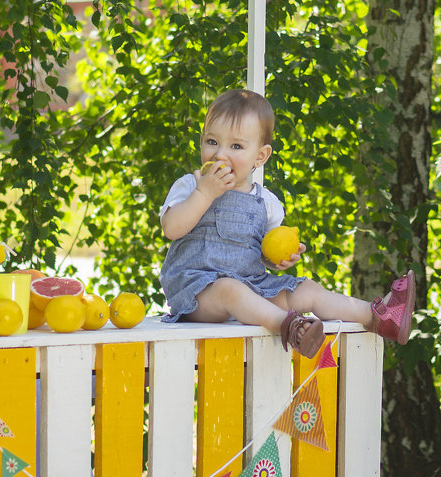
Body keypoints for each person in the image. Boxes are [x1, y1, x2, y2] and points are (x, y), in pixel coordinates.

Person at [158, 89, 415, 358]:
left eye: (235, 146)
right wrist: (205, 193)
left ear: (260, 156)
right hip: (197, 293)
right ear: (201, 142)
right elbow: (172, 229)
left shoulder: (266, 202)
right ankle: (289, 326)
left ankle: (380, 316)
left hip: (251, 287)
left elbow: (263, 254)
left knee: (307, 289)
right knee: (228, 288)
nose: (220, 154)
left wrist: (277, 260)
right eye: (212, 142)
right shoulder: (192, 185)